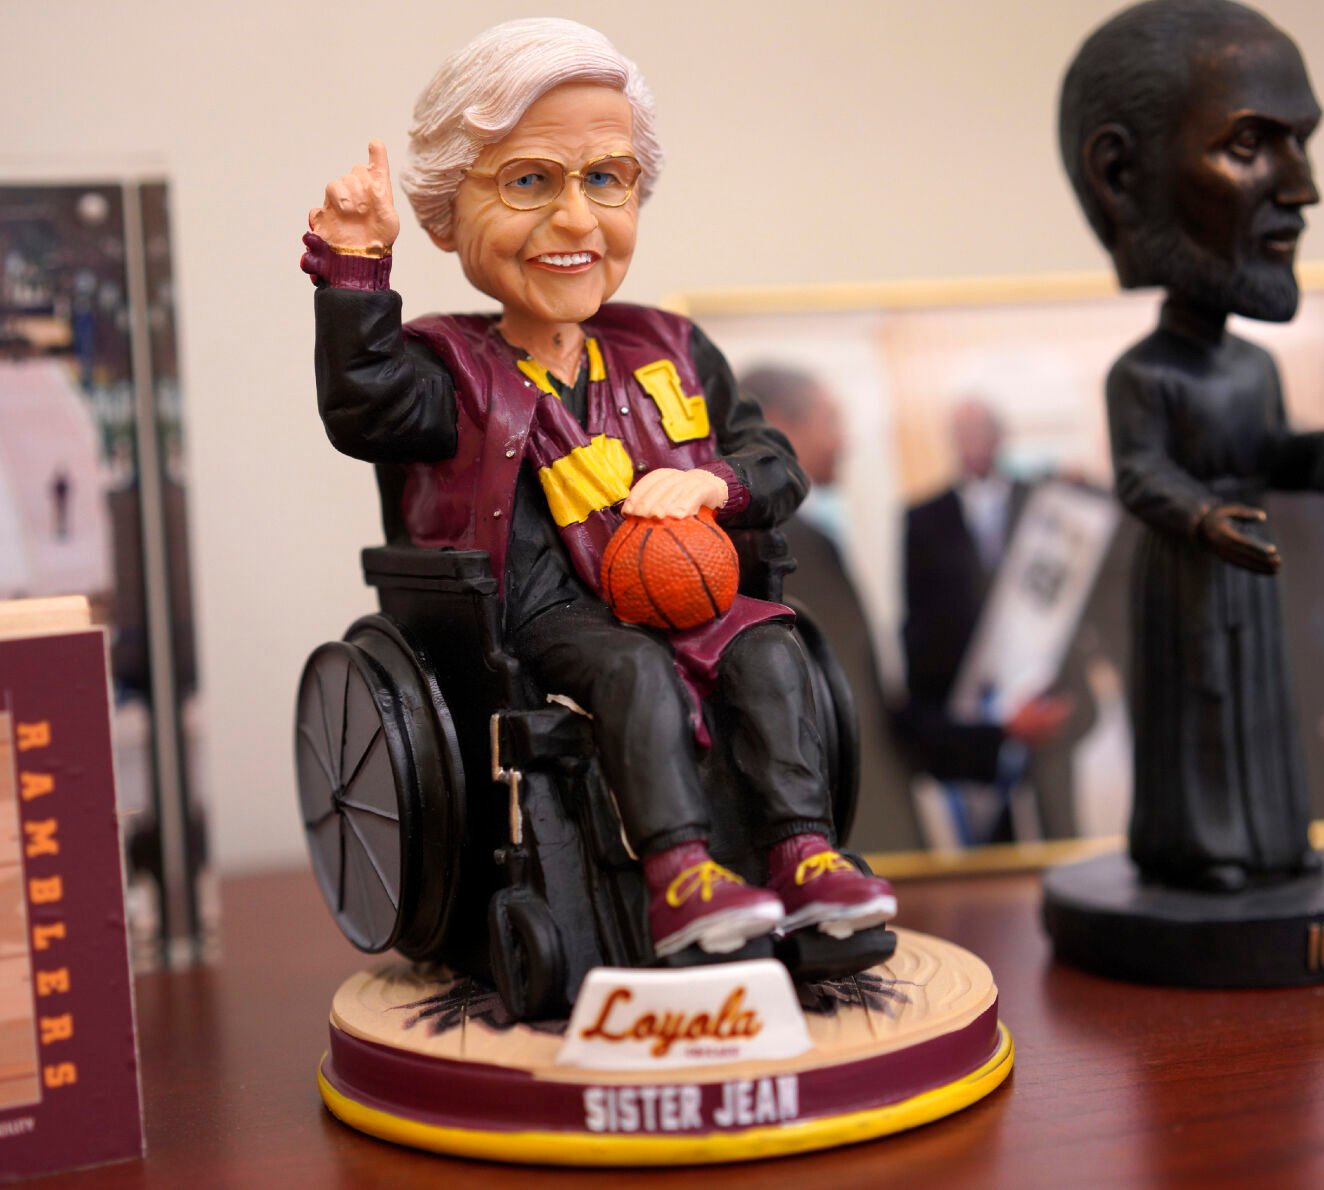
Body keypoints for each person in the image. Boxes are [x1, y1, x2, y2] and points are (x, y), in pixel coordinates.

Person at [301, 19, 893, 960]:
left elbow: (775, 461)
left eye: (604, 179)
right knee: (631, 669)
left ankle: (802, 856)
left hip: (688, 590)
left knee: (772, 651)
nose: (575, 220)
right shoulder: (449, 368)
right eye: (529, 181)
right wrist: (356, 269)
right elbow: (365, 411)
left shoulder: (670, 346)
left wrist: (710, 486)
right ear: (450, 212)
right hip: (541, 614)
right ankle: (679, 877)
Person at [1058, 0, 1324, 891]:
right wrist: (1203, 518)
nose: (1301, 189)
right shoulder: (1144, 374)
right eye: (1248, 145)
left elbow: (1278, 455)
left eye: (1302, 142)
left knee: (1262, 706)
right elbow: (1138, 474)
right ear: (1121, 177)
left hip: (1247, 569)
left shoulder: (1253, 368)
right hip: (1191, 569)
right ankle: (1200, 848)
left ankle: (1268, 839)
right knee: (1200, 705)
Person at [741, 364, 923, 852]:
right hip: (851, 828)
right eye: (830, 421)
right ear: (778, 425)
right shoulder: (782, 548)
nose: (843, 441)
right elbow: (844, 703)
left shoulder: (803, 538)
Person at [900, 398, 1071, 840]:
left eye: (980, 432)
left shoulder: (1043, 501)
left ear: (999, 437)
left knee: (1057, 813)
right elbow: (916, 613)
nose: (972, 443)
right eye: (963, 434)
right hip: (968, 687)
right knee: (988, 824)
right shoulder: (922, 517)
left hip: (1039, 680)